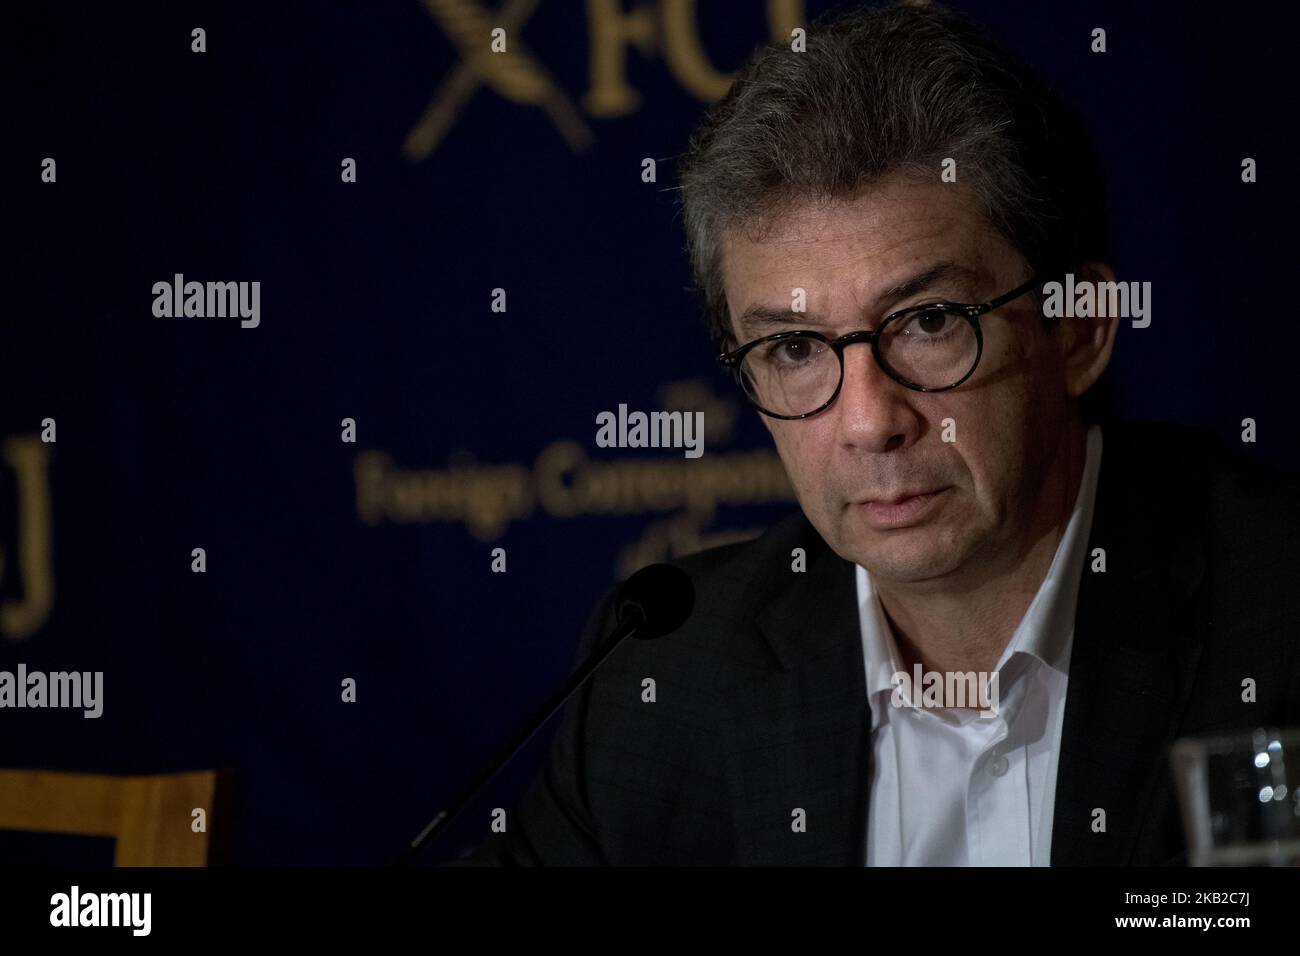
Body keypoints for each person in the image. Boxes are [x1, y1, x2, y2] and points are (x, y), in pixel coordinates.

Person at [453, 1, 1300, 865]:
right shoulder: (664, 686)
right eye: (793, 348)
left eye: (929, 321)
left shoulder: (1274, 619)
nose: (868, 421)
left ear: (1077, 329)